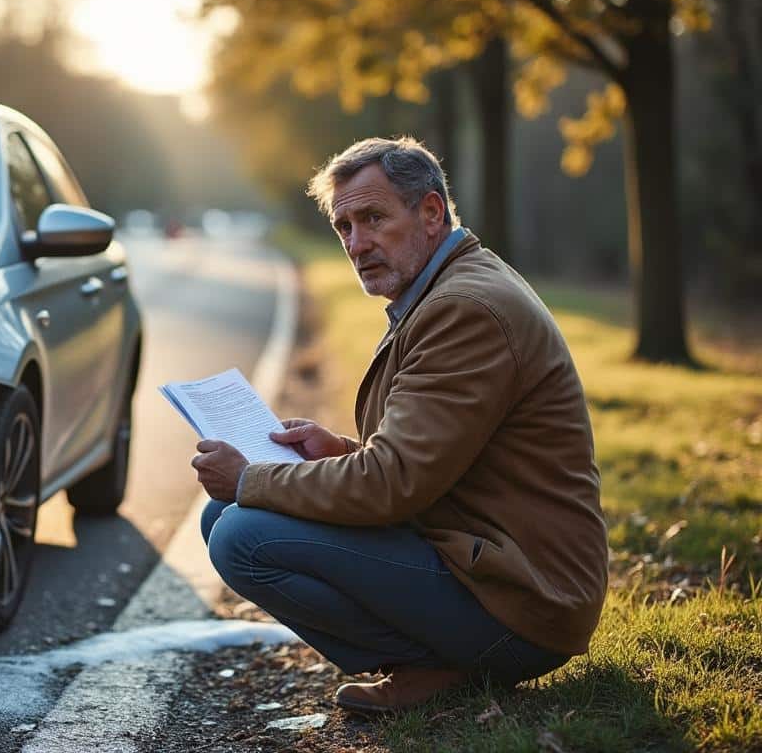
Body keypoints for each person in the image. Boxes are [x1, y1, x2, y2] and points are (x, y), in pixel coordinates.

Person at [190, 137, 607, 713]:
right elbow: (437, 461)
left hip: (524, 603)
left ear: (431, 213)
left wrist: (251, 478)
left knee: (242, 533)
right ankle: (435, 662)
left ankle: (439, 667)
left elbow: (392, 485)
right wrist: (338, 450)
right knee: (222, 516)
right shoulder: (443, 291)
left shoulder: (465, 309)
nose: (358, 244)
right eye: (344, 228)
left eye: (373, 218)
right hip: (486, 560)